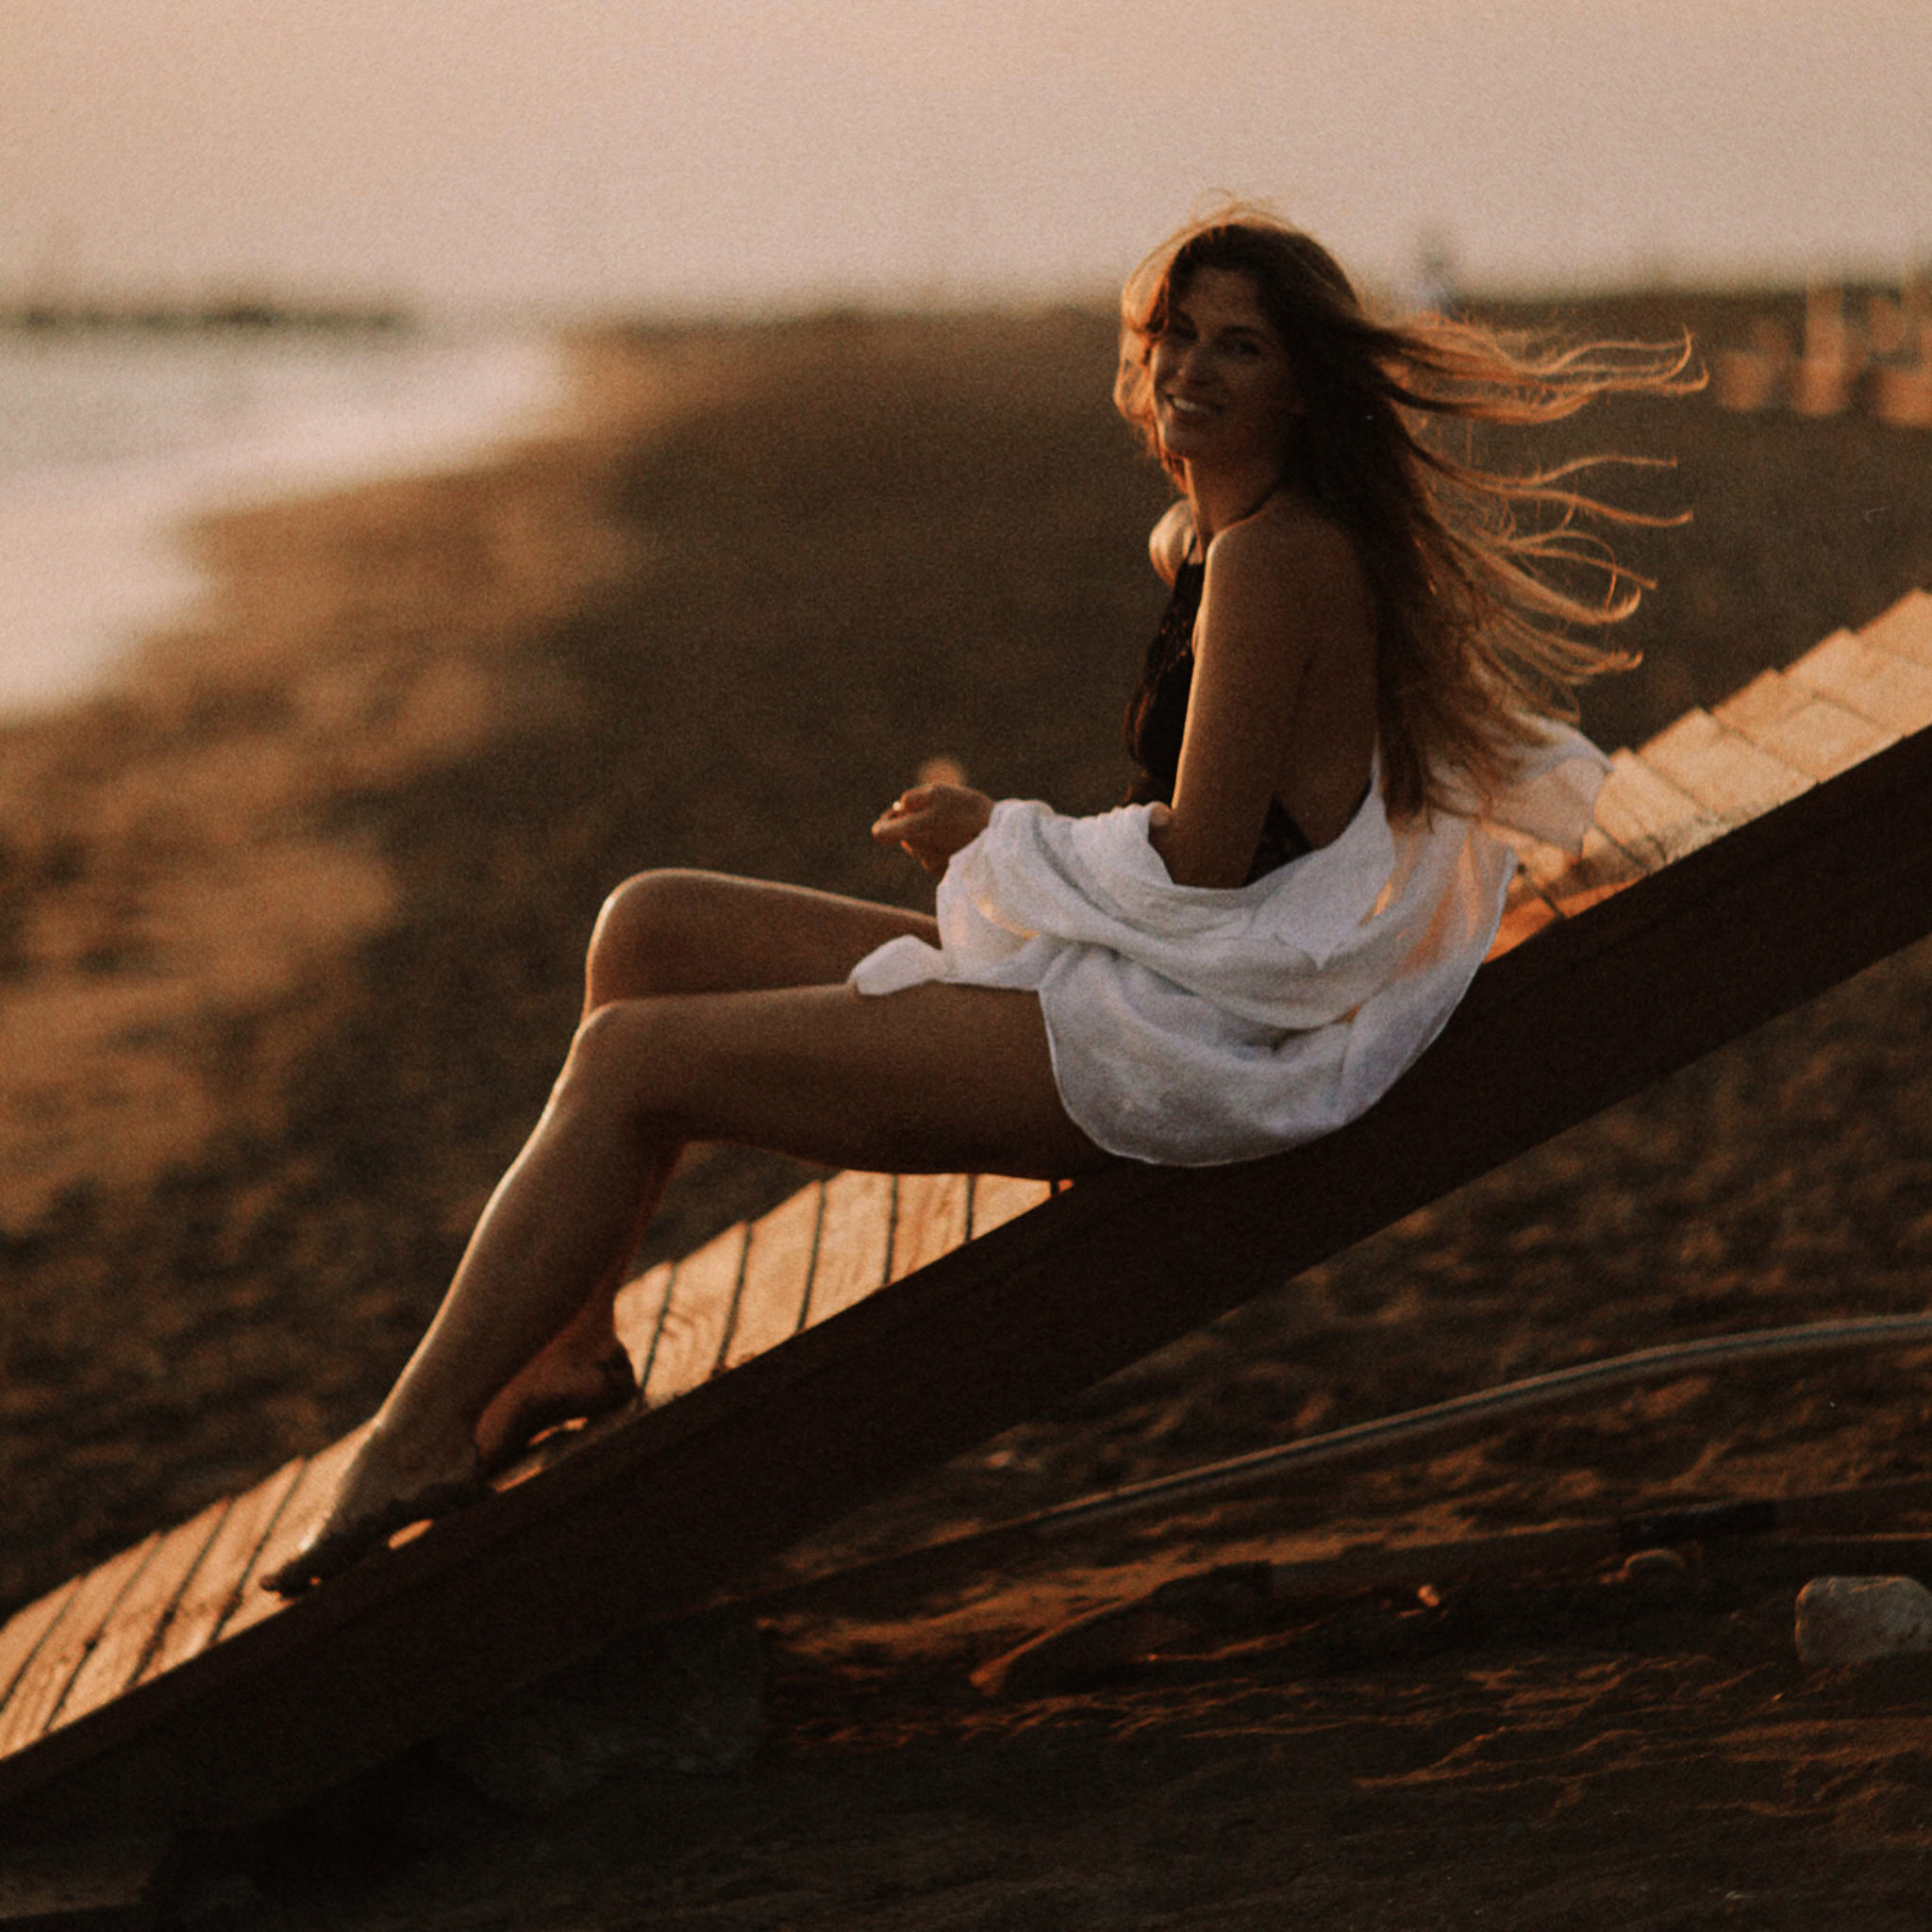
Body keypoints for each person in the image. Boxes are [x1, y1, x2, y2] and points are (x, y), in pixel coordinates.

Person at [267, 205, 1690, 1591]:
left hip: (1195, 1042)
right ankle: (568, 1349)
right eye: (1177, 335)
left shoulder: (1275, 557)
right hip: (1178, 985)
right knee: (648, 925)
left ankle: (413, 1444)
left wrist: (993, 837)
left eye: (1240, 347)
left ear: (1304, 385)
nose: (1193, 367)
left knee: (632, 1062)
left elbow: (1200, 864)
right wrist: (1011, 855)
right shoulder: (1209, 539)